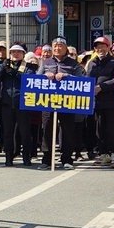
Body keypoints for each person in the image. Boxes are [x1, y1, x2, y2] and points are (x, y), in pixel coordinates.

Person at [40, 37, 81, 169]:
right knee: (47, 128)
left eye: (60, 46)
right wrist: (45, 75)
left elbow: (81, 80)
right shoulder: (45, 62)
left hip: (67, 101)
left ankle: (67, 158)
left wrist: (66, 76)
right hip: (48, 101)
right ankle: (46, 159)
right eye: (55, 46)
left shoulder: (73, 64)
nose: (57, 48)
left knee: (68, 130)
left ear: (66, 48)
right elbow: (36, 77)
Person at [0, 44, 33, 167]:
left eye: (18, 52)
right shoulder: (5, 66)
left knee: (25, 132)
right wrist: (2, 68)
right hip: (7, 104)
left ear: (23, 54)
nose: (15, 54)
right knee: (7, 132)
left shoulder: (29, 67)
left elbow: (29, 80)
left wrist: (15, 73)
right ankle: (8, 157)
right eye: (13, 52)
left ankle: (26, 157)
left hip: (23, 104)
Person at [86, 36, 114, 168]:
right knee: (99, 128)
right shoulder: (91, 63)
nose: (100, 49)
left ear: (108, 47)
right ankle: (103, 154)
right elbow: (86, 80)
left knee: (112, 129)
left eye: (103, 46)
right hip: (97, 102)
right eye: (97, 46)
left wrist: (101, 87)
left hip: (111, 102)